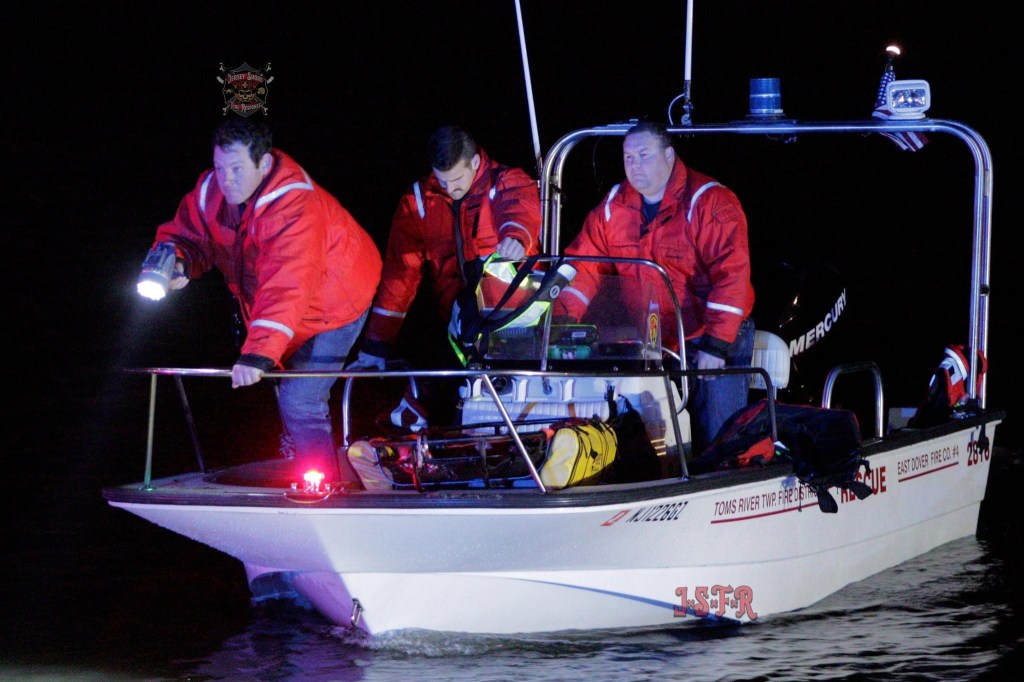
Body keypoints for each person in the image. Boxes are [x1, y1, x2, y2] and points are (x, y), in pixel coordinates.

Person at [147, 117, 382, 488]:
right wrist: (179, 262)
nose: (227, 180)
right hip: (284, 310)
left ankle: (322, 487)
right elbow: (190, 235)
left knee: (300, 400)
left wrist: (258, 351)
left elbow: (287, 282)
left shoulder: (295, 204)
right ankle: (307, 458)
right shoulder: (212, 192)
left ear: (264, 163)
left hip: (336, 304)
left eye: (237, 168)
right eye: (221, 168)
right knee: (279, 382)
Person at [556, 120, 755, 455]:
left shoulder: (710, 202)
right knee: (652, 435)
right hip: (650, 342)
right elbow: (584, 266)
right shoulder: (614, 206)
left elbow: (732, 273)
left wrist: (716, 345)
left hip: (709, 338)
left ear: (669, 155)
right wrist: (562, 320)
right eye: (628, 157)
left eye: (644, 156)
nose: (634, 165)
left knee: (720, 435)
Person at [349, 125, 542, 371]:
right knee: (441, 392)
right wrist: (378, 342)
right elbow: (399, 277)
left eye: (457, 179)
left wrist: (516, 237)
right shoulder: (417, 202)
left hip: (516, 321)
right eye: (442, 181)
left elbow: (519, 209)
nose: (450, 189)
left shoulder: (506, 181)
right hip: (457, 325)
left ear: (474, 161)